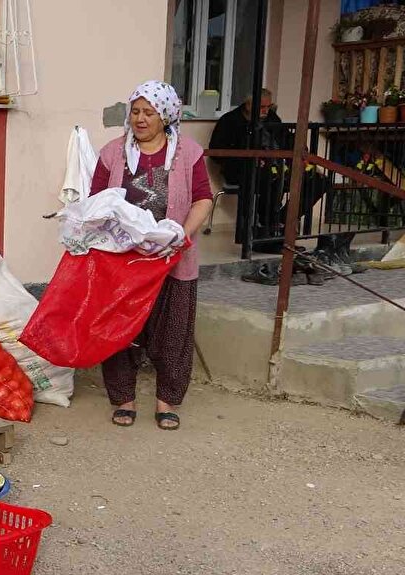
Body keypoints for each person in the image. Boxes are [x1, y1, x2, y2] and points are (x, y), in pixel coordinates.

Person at [89, 81, 214, 431]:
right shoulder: (113, 153)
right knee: (119, 330)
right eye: (136, 111)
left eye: (149, 112)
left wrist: (181, 235)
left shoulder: (188, 152)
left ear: (166, 115)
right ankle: (123, 399)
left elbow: (203, 198)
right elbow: (96, 200)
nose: (140, 119)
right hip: (122, 259)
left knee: (173, 330)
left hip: (172, 257)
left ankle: (166, 401)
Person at [209, 89, 341, 257]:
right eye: (262, 107)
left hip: (278, 168)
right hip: (242, 171)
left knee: (319, 180)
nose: (266, 110)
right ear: (248, 105)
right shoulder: (229, 121)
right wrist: (246, 158)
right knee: (270, 179)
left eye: (268, 106)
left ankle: (283, 220)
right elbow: (216, 153)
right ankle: (268, 234)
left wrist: (302, 155)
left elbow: (287, 139)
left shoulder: (272, 118)